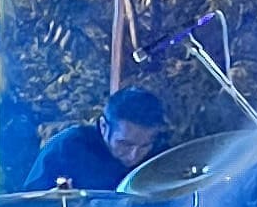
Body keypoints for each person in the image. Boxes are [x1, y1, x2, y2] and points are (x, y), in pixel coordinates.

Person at [31, 78, 167, 195]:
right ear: (103, 126)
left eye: (145, 146)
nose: (134, 156)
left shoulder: (160, 152)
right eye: (125, 144)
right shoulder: (66, 148)